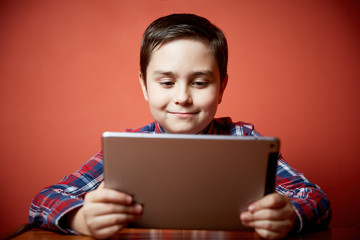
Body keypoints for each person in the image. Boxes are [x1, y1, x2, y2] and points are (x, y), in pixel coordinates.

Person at [29, 13, 331, 239]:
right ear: (145, 86)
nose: (183, 97)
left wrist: (289, 214)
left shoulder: (245, 141)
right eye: (167, 82)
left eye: (200, 82)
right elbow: (44, 199)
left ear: (222, 86)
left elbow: (315, 198)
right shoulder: (129, 149)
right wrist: (80, 218)